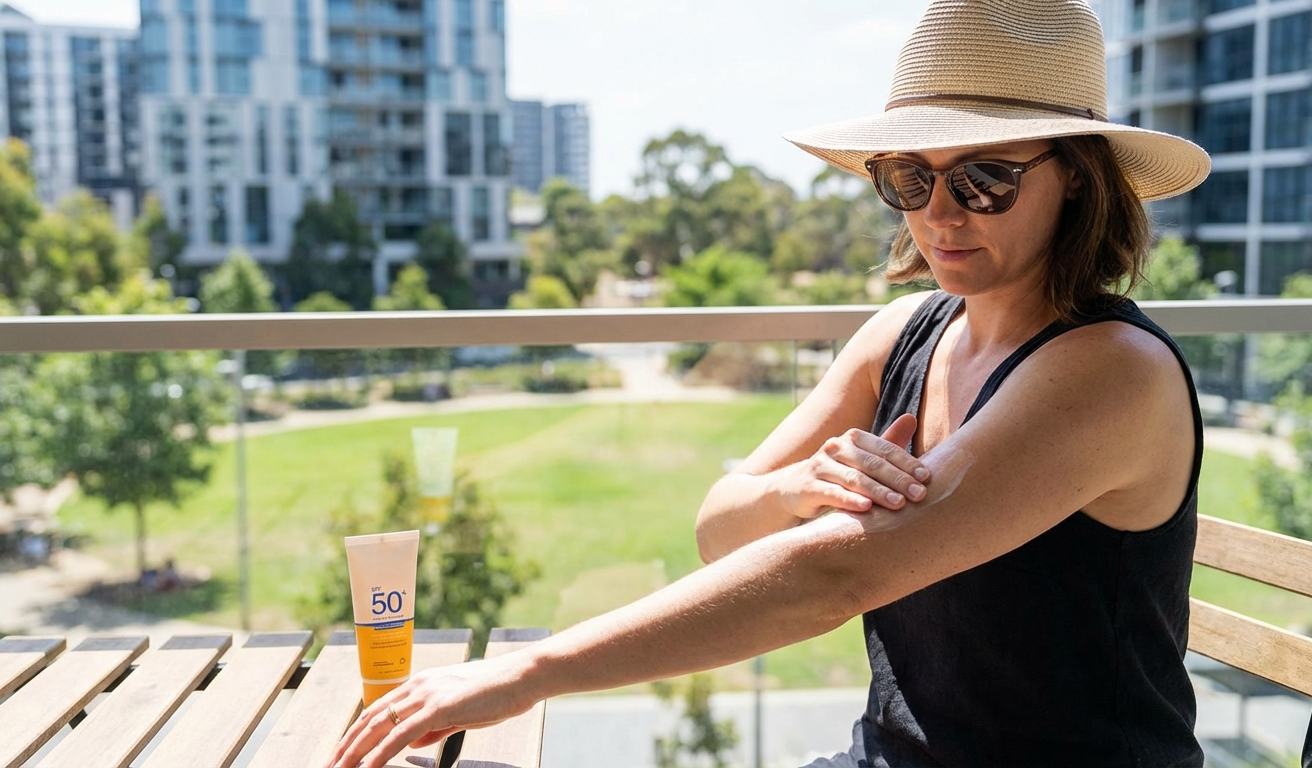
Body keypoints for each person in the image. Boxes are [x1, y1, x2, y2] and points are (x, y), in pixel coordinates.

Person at [330, 1, 1211, 765]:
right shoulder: (902, 334)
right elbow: (723, 527)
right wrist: (799, 486)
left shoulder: (1110, 374)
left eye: (985, 178)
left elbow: (830, 580)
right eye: (910, 176)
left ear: (1080, 182)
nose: (938, 213)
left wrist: (527, 670)